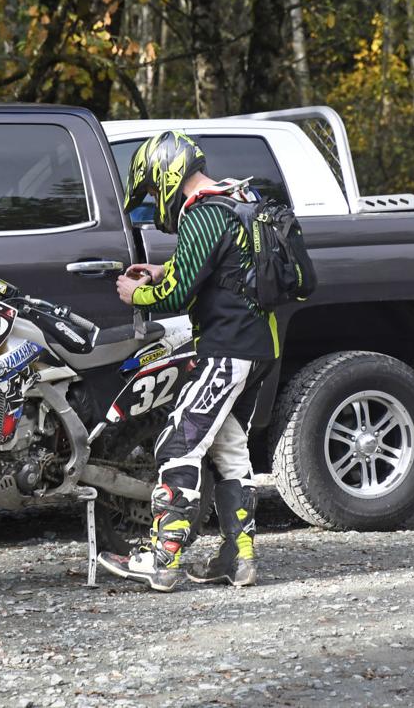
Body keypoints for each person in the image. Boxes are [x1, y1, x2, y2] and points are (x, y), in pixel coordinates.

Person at [97, 130, 279, 592]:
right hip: (260, 348)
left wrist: (137, 291)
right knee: (228, 448)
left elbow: (178, 293)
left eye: (155, 189)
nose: (157, 200)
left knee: (178, 446)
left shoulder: (202, 213)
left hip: (227, 349)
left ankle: (163, 560)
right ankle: (239, 560)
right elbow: (216, 272)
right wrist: (161, 270)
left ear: (166, 171)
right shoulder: (236, 200)